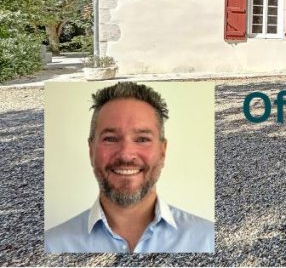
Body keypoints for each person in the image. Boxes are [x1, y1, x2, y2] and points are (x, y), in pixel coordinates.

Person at [44, 82, 214, 253]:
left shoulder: (206, 239)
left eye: (142, 139)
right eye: (110, 139)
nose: (126, 155)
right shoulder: (53, 244)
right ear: (91, 150)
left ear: (162, 151)